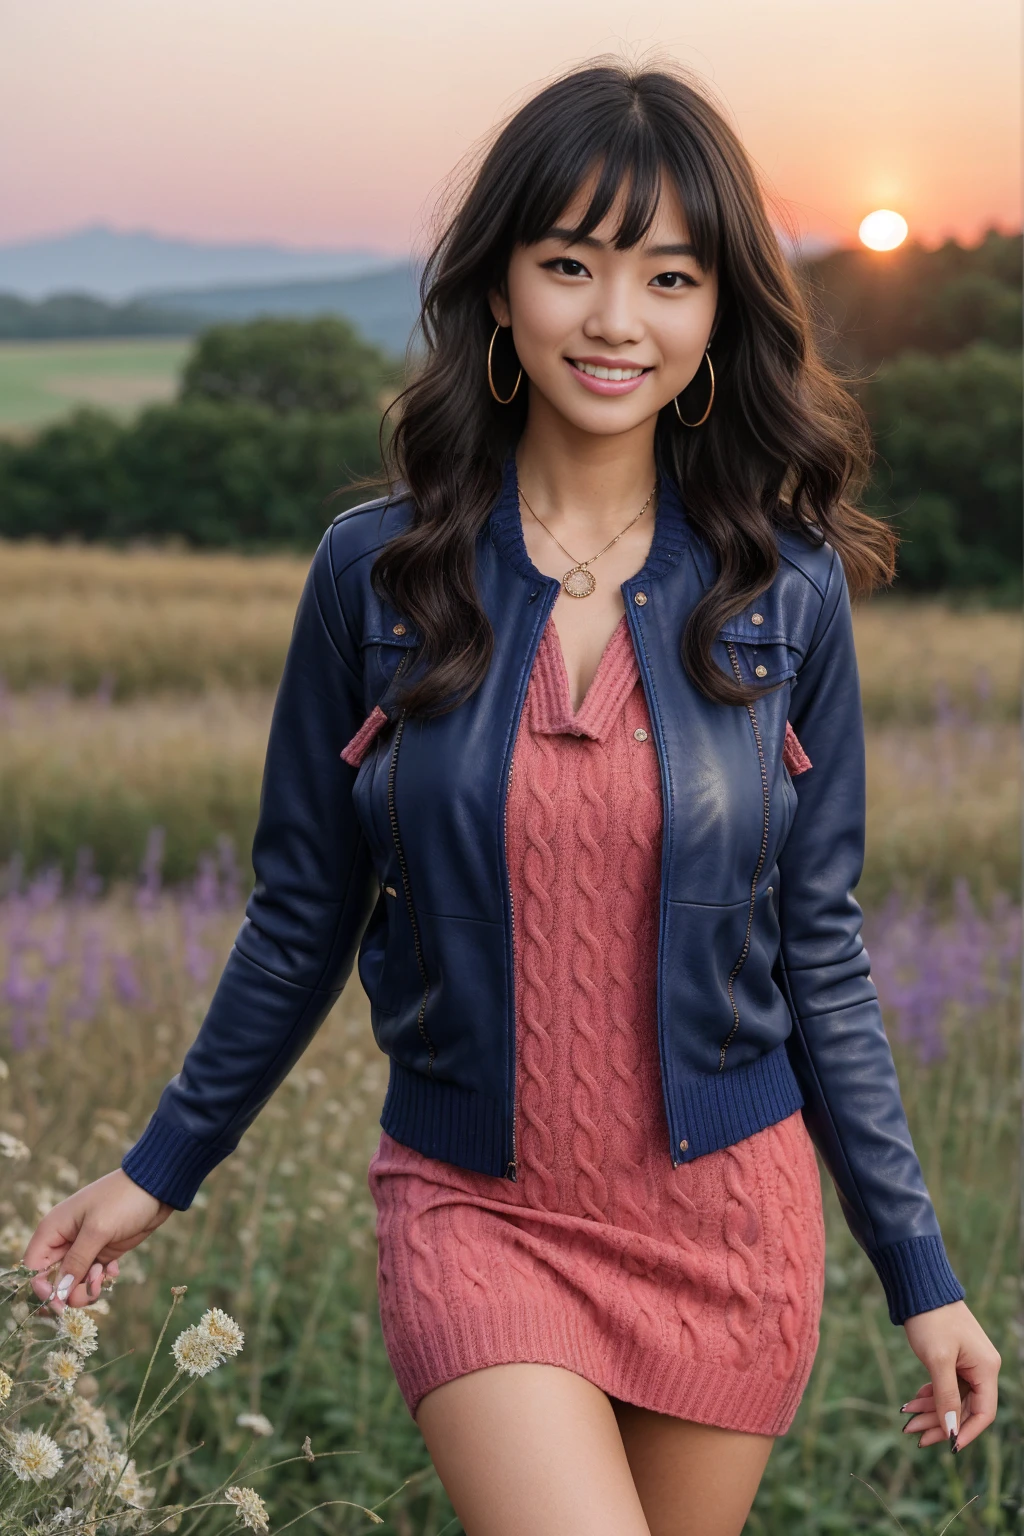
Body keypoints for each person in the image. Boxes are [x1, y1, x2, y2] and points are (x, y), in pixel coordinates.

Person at [24, 59, 1000, 1536]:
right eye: (571, 265)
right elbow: (302, 911)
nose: (618, 320)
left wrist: (919, 1273)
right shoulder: (376, 575)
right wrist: (160, 1168)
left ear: (720, 310)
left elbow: (823, 948)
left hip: (727, 1224)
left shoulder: (784, 592)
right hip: (476, 1205)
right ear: (499, 289)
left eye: (671, 277)